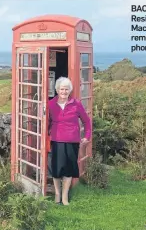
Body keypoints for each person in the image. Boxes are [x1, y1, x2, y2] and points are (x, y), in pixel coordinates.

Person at [48, 77, 91, 205]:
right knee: (56, 169)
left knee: (68, 169)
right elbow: (46, 122)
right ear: (57, 90)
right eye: (62, 89)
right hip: (56, 139)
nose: (64, 92)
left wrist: (87, 136)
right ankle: (57, 194)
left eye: (66, 89)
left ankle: (65, 196)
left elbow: (86, 121)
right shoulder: (51, 104)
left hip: (72, 140)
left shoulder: (76, 103)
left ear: (69, 90)